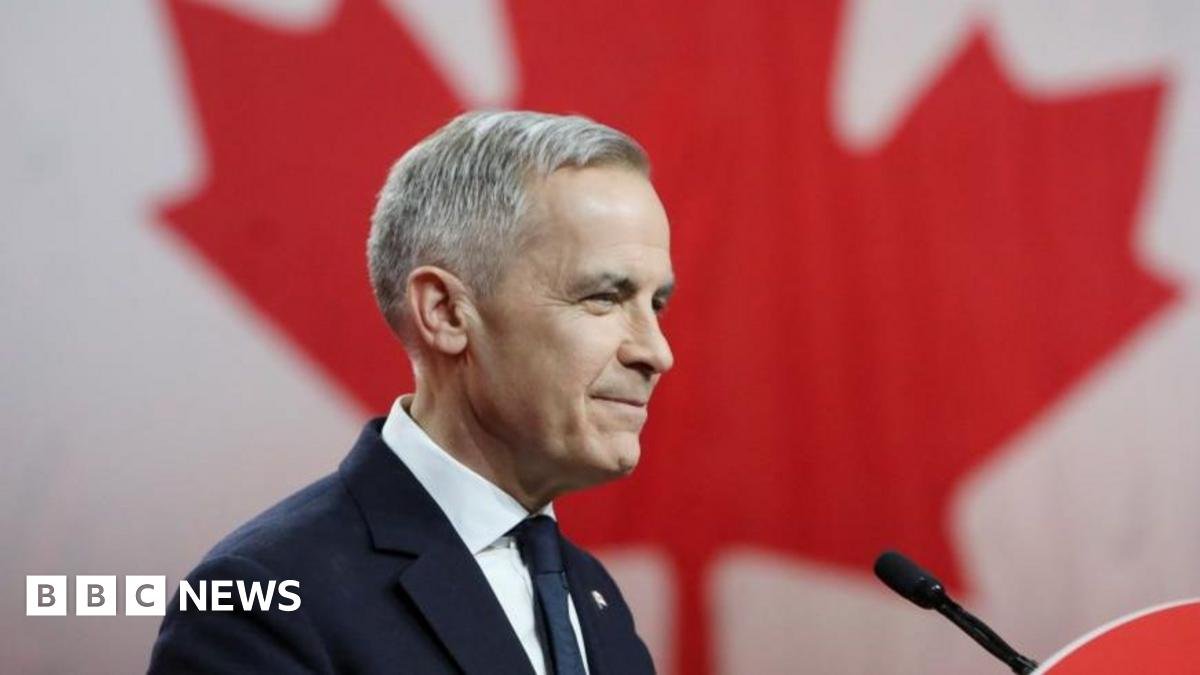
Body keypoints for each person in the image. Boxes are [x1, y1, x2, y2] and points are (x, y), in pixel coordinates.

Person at [148, 110, 675, 674]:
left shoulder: (593, 598)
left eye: (656, 304)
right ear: (446, 312)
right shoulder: (262, 601)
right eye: (603, 297)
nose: (657, 352)